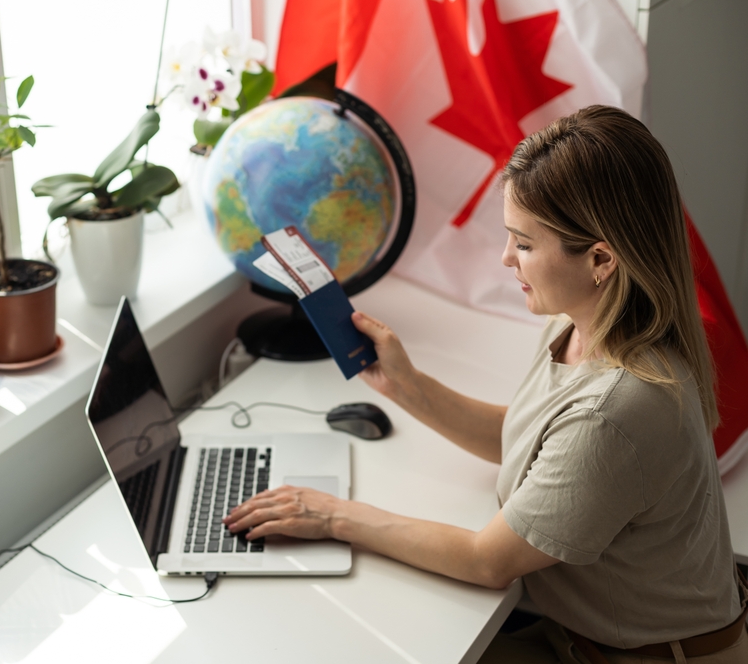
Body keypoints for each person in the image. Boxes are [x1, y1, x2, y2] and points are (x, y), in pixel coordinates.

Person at [224, 105, 748, 663]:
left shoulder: (616, 411)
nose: (505, 258)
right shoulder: (585, 320)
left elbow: (486, 559)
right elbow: (535, 441)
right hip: (584, 637)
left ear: (600, 259)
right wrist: (408, 387)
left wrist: (331, 516)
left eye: (523, 244)